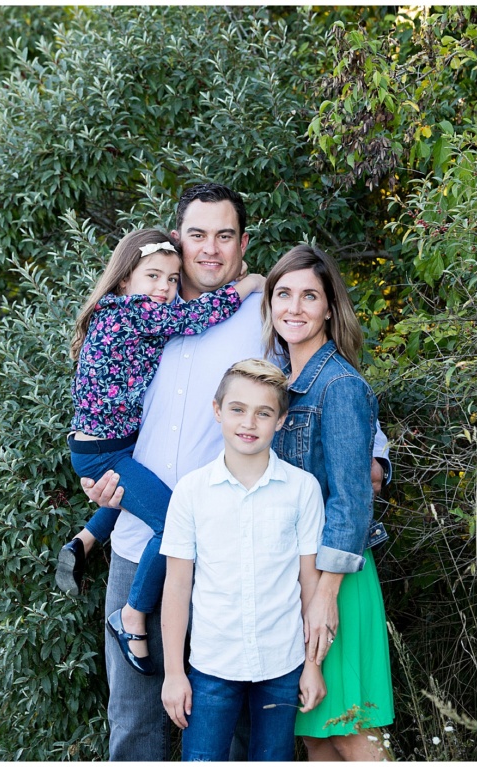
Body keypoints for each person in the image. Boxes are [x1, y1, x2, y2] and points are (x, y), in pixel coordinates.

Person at [81, 183, 391, 761]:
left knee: (254, 720)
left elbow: (324, 382)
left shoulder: (263, 314)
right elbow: (98, 404)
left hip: (242, 549)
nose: (210, 249)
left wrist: (375, 453)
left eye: (225, 236)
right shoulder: (141, 315)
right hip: (138, 542)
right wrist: (94, 481)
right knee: (135, 721)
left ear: (243, 242)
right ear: (177, 239)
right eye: (197, 235)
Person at [59, 228, 264, 675]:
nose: (164, 289)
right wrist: (246, 285)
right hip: (105, 453)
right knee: (172, 523)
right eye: (153, 275)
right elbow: (193, 319)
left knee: (134, 490)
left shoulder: (121, 316)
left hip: (112, 446)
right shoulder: (130, 314)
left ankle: (85, 540)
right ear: (123, 281)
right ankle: (131, 616)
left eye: (172, 280)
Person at [263, 245, 394, 760]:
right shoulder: (286, 384)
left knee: (350, 731)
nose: (295, 307)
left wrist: (324, 596)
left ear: (329, 308)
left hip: (336, 580)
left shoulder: (338, 385)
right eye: (283, 294)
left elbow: (352, 500)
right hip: (298, 578)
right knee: (317, 737)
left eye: (309, 296)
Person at [161, 359, 326, 761]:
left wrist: (312, 665)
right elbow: (178, 586)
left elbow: (309, 585)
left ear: (281, 420)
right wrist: (173, 673)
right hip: (212, 664)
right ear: (217, 411)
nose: (249, 422)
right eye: (237, 409)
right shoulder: (191, 491)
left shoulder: (302, 490)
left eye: (263, 412)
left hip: (282, 663)